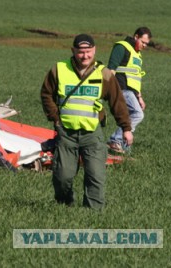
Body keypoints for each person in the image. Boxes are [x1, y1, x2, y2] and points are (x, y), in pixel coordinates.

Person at [40, 34, 131, 209]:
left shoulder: (103, 73)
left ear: (94, 50)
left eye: (88, 52)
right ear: (73, 51)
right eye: (81, 52)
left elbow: (117, 101)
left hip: (92, 134)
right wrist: (55, 119)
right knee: (62, 177)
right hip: (66, 134)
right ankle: (65, 205)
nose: (85, 56)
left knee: (96, 176)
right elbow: (46, 94)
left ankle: (92, 214)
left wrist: (126, 128)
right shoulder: (59, 70)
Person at [106, 27, 152, 153]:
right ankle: (116, 140)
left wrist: (139, 97)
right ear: (136, 37)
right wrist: (108, 89)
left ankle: (124, 148)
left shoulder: (137, 54)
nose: (144, 45)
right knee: (137, 114)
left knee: (128, 116)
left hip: (131, 91)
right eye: (143, 42)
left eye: (147, 44)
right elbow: (111, 68)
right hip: (120, 88)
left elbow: (135, 78)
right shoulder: (122, 47)